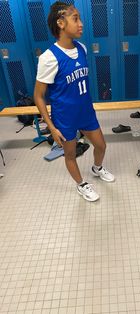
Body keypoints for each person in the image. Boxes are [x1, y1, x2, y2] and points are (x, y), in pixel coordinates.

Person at [34, 1, 115, 202]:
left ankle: (97, 168)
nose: (81, 23)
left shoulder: (82, 48)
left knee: (101, 145)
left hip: (86, 111)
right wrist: (51, 127)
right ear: (61, 23)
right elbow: (38, 95)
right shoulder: (48, 58)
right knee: (70, 155)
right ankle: (81, 185)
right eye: (75, 18)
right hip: (65, 118)